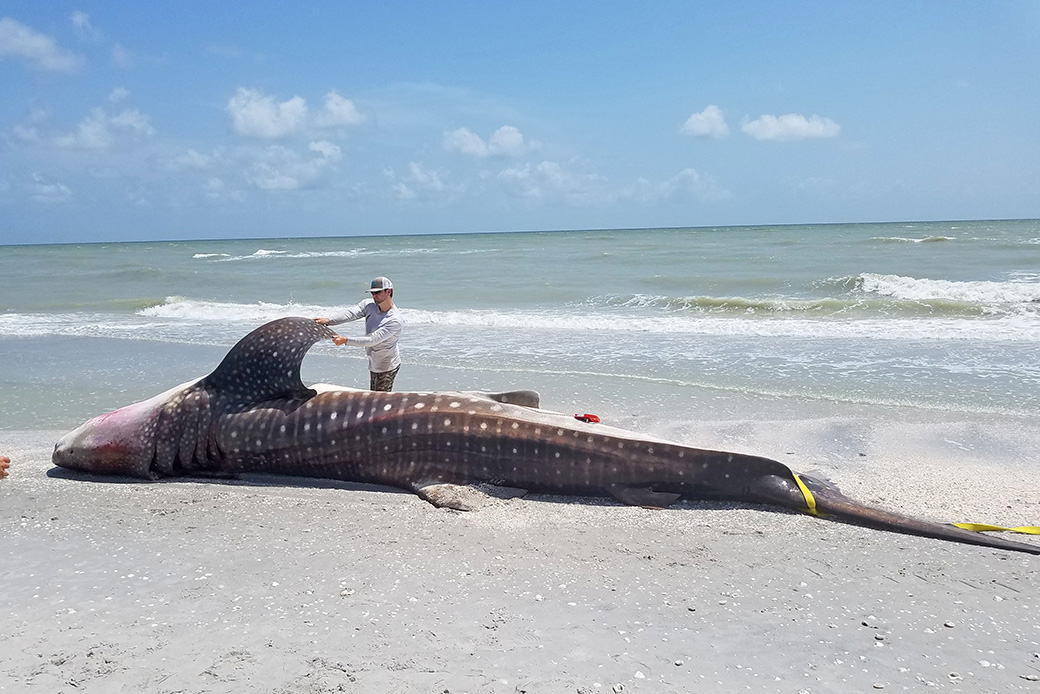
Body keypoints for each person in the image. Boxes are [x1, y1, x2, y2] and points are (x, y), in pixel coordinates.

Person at [314, 276, 403, 391]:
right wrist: (329, 320)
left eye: (378, 292)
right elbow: (350, 314)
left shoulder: (394, 320)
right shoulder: (369, 305)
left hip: (386, 365)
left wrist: (345, 340)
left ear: (388, 291)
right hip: (374, 362)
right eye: (372, 293)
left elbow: (372, 340)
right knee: (374, 395)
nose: (374, 295)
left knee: (379, 400)